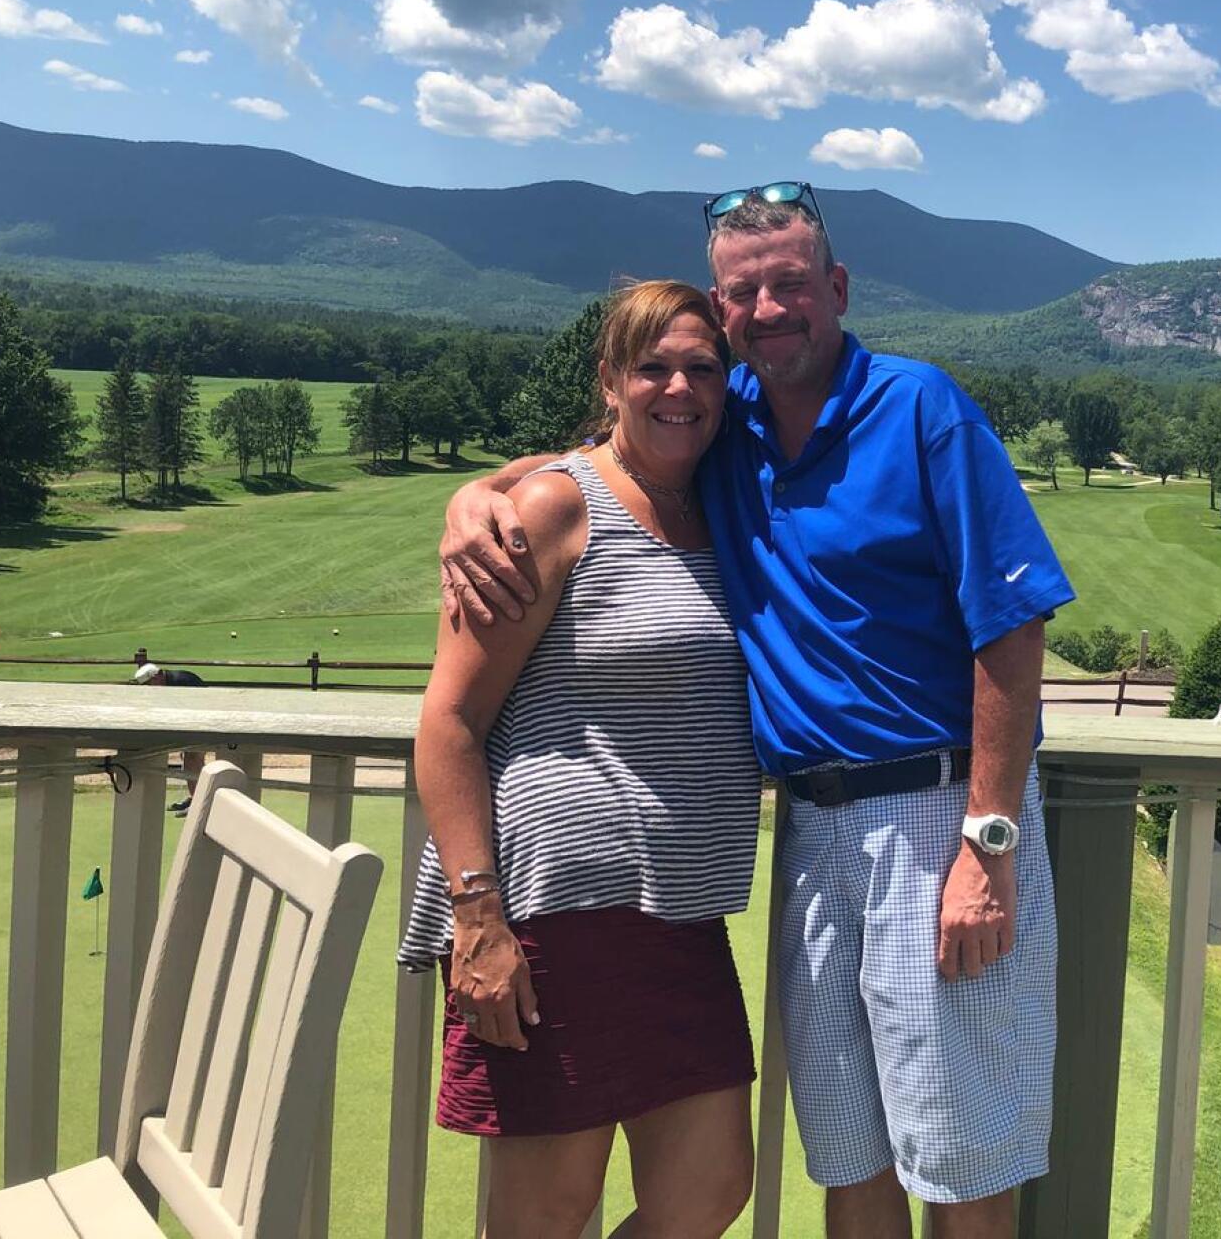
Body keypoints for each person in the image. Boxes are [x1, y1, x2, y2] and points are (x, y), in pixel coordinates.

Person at [441, 182, 1075, 1239]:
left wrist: (988, 843)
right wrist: (473, 499)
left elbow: (1010, 632)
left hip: (937, 822)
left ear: (837, 287)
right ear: (726, 311)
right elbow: (597, 456)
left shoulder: (921, 409)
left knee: (962, 1162)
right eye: (744, 292)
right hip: (811, 837)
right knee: (850, 1155)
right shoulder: (726, 419)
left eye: (790, 283)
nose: (769, 308)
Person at [402, 280, 760, 1239]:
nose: (679, 387)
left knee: (711, 1188)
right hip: (551, 913)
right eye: (653, 367)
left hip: (679, 909)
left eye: (702, 367)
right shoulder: (558, 507)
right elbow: (450, 721)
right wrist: (478, 919)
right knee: (545, 1216)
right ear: (609, 380)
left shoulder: (721, 498)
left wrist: (478, 484)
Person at [131, 663, 209, 814]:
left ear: (157, 676)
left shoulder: (181, 682)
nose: (149, 688)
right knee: (190, 759)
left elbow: (197, 707)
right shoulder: (167, 685)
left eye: (149, 684)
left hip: (202, 725)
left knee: (193, 759)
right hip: (192, 726)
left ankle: (198, 803)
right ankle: (195, 798)